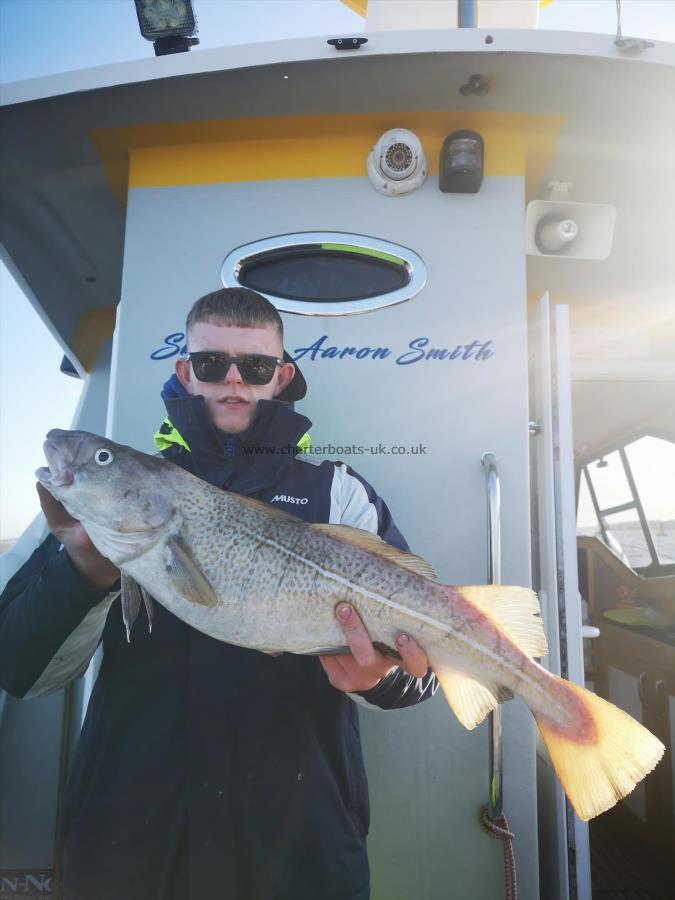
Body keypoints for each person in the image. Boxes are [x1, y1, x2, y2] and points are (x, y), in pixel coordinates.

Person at [0, 287, 437, 900]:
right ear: (186, 371)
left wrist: (378, 680)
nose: (234, 380)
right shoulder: (120, 493)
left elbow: (423, 675)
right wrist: (85, 568)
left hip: (298, 849)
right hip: (132, 849)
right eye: (211, 364)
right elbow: (20, 668)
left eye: (255, 366)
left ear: (281, 377)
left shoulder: (338, 493)